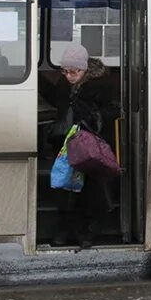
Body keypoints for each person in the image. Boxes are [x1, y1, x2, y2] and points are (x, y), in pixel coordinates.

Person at [42, 44, 118, 248]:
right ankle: (68, 231)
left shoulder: (99, 86)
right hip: (68, 146)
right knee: (67, 188)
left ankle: (87, 233)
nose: (68, 75)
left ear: (84, 69)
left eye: (74, 71)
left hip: (90, 148)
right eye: (65, 71)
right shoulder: (65, 85)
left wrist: (93, 119)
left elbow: (112, 111)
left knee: (88, 192)